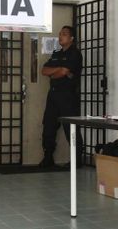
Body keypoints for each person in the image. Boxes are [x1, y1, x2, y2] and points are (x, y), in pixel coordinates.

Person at [39, 25, 83, 168]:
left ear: (71, 38)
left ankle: (76, 160)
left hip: (68, 96)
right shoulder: (56, 54)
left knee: (71, 127)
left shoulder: (75, 54)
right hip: (53, 94)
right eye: (59, 34)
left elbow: (63, 73)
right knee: (49, 126)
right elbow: (44, 71)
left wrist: (58, 71)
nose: (60, 36)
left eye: (64, 34)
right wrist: (59, 70)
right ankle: (48, 157)